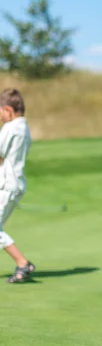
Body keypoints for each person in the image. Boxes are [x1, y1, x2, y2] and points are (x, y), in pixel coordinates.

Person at [0, 88, 35, 283]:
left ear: (8, 110)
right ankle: (23, 264)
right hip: (13, 183)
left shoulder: (11, 128)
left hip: (7, 185)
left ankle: (23, 263)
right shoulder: (24, 128)